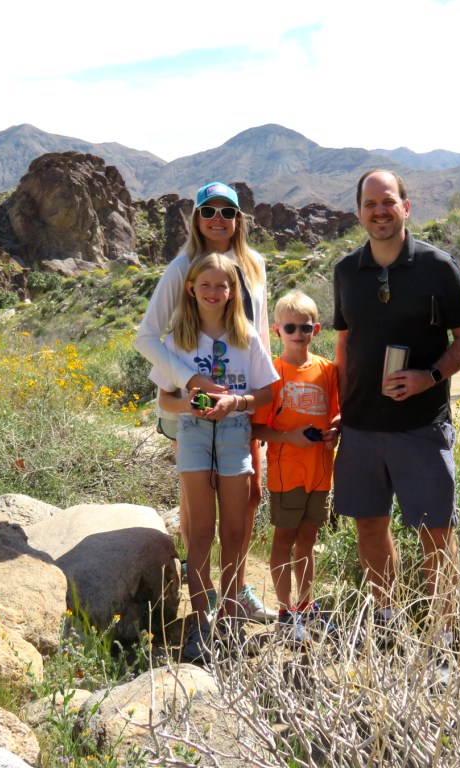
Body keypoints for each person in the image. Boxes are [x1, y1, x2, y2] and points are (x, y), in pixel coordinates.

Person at [333, 169, 460, 640]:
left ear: (406, 207)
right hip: (360, 428)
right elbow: (344, 344)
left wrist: (428, 377)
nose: (380, 211)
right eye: (371, 204)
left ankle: (444, 638)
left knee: (435, 533)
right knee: (370, 528)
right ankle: (388, 621)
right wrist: (340, 406)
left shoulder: (437, 266)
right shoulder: (346, 271)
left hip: (422, 426)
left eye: (388, 202)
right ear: (359, 213)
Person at [134, 181, 276, 622]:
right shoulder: (183, 267)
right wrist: (190, 380)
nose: (218, 219)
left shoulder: (253, 264)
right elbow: (146, 337)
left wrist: (255, 401)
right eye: (208, 211)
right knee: (198, 504)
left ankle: (237, 592)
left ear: (238, 219)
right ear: (196, 218)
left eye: (227, 211)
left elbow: (260, 332)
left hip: (241, 399)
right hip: (191, 405)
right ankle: (203, 602)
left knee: (249, 495)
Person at [154, 253, 278, 663]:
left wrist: (235, 402)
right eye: (205, 285)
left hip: (234, 432)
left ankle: (229, 616)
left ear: (232, 291)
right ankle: (200, 620)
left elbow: (267, 393)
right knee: (202, 531)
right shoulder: (177, 340)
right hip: (192, 434)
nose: (213, 292)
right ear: (190, 289)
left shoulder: (246, 336)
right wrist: (189, 404)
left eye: (221, 286)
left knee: (236, 530)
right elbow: (165, 400)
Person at [251, 291, 341, 645]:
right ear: (277, 330)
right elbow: (257, 428)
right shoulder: (272, 373)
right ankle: (286, 612)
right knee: (284, 540)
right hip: (287, 473)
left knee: (308, 541)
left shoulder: (328, 370)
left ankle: (306, 606)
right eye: (290, 327)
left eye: (305, 327)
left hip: (320, 472)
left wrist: (334, 431)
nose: (298, 334)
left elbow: (336, 413)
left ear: (316, 329)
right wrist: (290, 437)